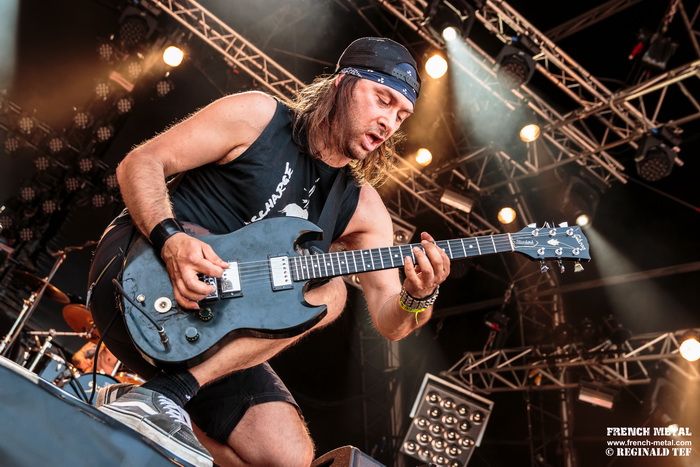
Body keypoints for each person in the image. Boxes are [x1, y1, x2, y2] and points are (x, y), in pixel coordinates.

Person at [88, 37, 451, 466]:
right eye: (382, 99)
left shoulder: (363, 209)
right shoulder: (257, 117)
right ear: (342, 84)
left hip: (212, 331)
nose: (389, 121)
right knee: (332, 291)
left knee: (288, 459)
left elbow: (392, 321)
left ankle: (149, 400)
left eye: (401, 114)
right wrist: (170, 240)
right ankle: (165, 395)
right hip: (136, 278)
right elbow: (141, 163)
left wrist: (418, 296)